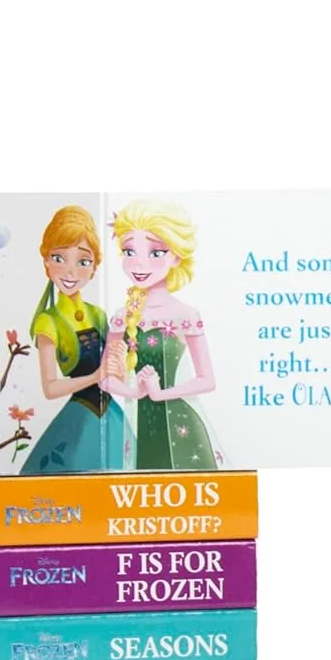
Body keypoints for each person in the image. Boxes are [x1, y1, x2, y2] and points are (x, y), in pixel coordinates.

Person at [102, 201, 218, 470]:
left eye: (156, 252)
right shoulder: (122, 316)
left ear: (176, 257)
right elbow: (106, 378)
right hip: (138, 424)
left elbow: (207, 380)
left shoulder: (186, 314)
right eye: (129, 251)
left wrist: (160, 393)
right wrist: (134, 391)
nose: (139, 263)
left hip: (180, 424)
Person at [20, 205, 128, 473]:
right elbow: (50, 388)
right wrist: (96, 376)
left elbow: (120, 378)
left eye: (83, 261)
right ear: (46, 261)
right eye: (59, 258)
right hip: (78, 419)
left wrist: (121, 358)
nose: (70, 272)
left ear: (94, 268)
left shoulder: (97, 314)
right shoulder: (49, 321)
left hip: (111, 418)